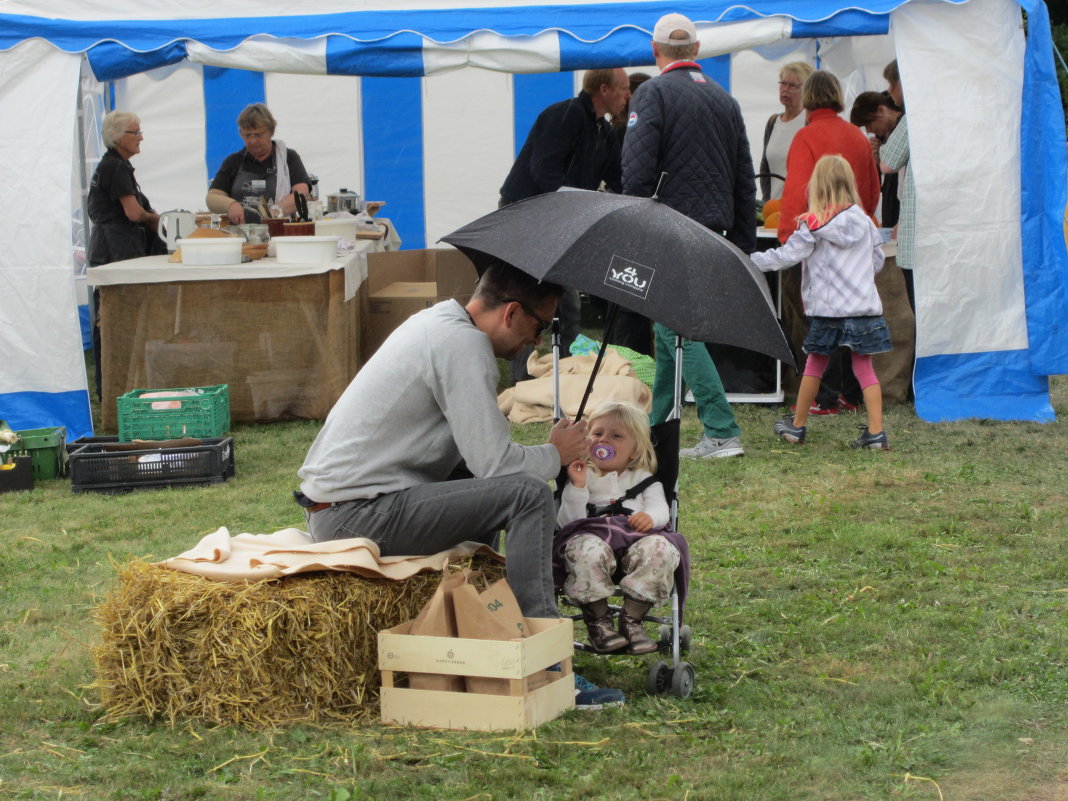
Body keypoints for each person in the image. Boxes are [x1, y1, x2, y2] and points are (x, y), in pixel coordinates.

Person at [296, 260, 624, 709]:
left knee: (491, 489)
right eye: (540, 326)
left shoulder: (438, 323)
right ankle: (546, 663)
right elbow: (495, 464)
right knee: (526, 496)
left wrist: (544, 455)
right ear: (511, 313)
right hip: (355, 516)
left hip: (343, 506)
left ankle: (481, 631)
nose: (538, 340)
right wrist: (555, 454)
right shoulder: (463, 346)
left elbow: (479, 461)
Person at [622, 12, 755, 459]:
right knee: (668, 327)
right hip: (712, 230)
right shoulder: (725, 100)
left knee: (677, 330)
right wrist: (744, 244)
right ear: (696, 50)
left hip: (667, 227)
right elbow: (744, 179)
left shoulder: (652, 93)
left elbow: (636, 173)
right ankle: (659, 429)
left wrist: (635, 227)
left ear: (655, 52)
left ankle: (721, 428)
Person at [751, 155, 891, 450]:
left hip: (827, 311)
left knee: (814, 366)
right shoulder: (865, 222)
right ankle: (876, 432)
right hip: (863, 308)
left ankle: (797, 426)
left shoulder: (813, 224)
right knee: (865, 370)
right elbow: (877, 261)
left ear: (817, 186)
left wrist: (749, 262)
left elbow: (786, 256)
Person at [499, 68, 631, 381]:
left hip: (561, 220)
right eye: (624, 89)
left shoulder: (604, 130)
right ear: (603, 89)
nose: (628, 96)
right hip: (527, 216)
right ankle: (521, 376)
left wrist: (641, 201)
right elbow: (544, 172)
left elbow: (618, 179)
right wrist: (579, 207)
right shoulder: (564, 115)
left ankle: (569, 371)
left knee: (568, 302)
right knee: (528, 296)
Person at [554, 401, 688, 654]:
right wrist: (578, 487)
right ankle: (599, 621)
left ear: (635, 450)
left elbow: (661, 510)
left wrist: (650, 517)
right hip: (593, 544)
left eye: (616, 436)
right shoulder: (583, 475)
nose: (604, 441)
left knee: (662, 549)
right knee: (583, 548)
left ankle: (631, 621)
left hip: (636, 545)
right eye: (597, 434)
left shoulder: (645, 480)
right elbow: (568, 523)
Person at [86, 110, 167, 398]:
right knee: (115, 320)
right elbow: (133, 213)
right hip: (117, 252)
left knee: (110, 320)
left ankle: (113, 384)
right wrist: (154, 219)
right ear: (120, 138)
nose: (141, 137)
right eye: (136, 132)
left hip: (111, 249)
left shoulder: (113, 166)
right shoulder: (116, 168)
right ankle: (114, 385)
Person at [206, 103, 310, 225]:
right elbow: (212, 197)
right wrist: (231, 205)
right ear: (240, 134)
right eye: (247, 135)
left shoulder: (288, 158)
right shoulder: (233, 161)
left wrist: (274, 212)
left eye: (258, 135)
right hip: (242, 234)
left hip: (280, 231)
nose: (253, 141)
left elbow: (302, 193)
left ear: (272, 131)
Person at [758, 61, 815, 204]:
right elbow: (765, 168)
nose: (786, 89)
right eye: (783, 83)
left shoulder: (810, 122)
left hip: (802, 209)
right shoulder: (773, 122)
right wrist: (767, 200)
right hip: (774, 208)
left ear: (806, 90)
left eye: (793, 86)